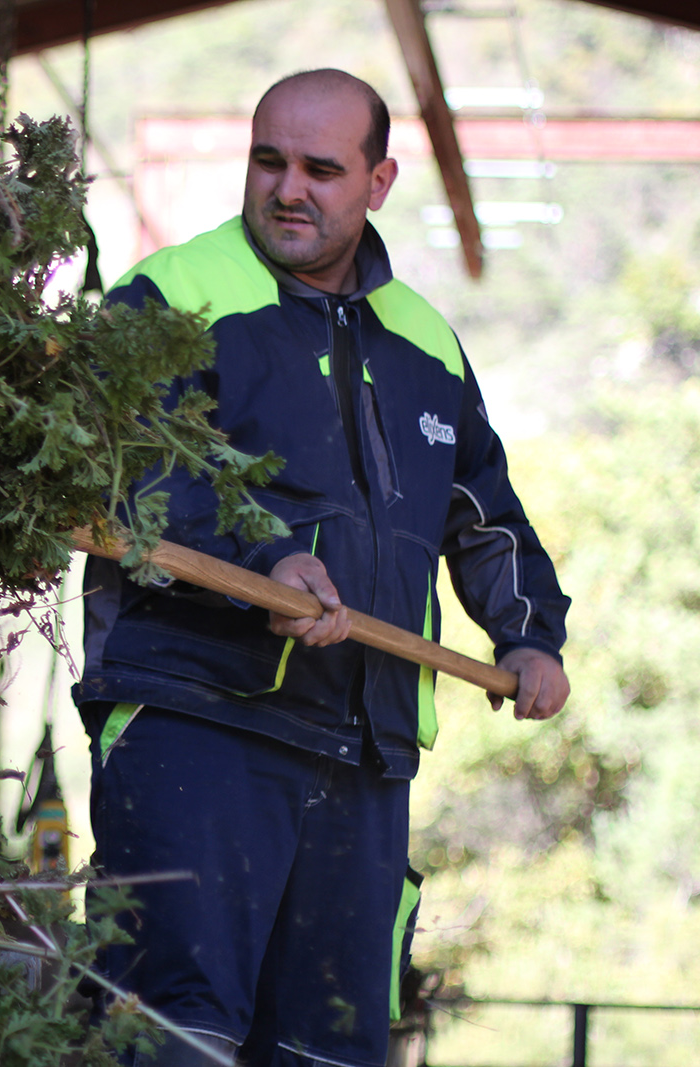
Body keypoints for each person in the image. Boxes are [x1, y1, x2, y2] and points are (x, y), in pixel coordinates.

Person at [76, 69, 571, 1067]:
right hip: (198, 721)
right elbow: (123, 468)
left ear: (378, 181)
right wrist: (263, 560)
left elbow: (482, 514)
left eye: (320, 168)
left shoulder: (426, 342)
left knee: (327, 1050)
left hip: (365, 746)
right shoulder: (169, 295)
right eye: (268, 160)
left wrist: (526, 633)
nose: (287, 188)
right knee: (173, 1034)